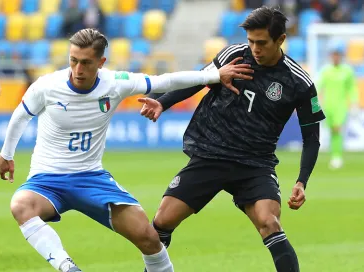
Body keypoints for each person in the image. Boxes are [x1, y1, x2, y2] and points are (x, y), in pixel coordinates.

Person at [0, 28, 243, 272]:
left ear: (101, 62)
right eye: (73, 61)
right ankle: (67, 267)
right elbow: (21, 115)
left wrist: (212, 76)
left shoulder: (115, 83)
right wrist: (7, 154)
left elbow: (164, 80)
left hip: (91, 178)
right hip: (47, 180)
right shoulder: (47, 86)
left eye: (85, 62)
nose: (78, 69)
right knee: (20, 205)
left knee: (150, 239)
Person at [139, 6, 325, 272]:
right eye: (251, 41)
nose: (254, 49)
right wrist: (162, 103)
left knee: (270, 223)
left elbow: (312, 137)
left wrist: (302, 180)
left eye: (262, 43)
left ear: (280, 39)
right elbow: (199, 80)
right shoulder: (235, 55)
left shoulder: (299, 82)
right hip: (211, 153)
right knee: (161, 222)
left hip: (255, 164)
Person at [316, 44, 358, 169]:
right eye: (333, 55)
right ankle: (334, 155)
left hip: (341, 106)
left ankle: (337, 157)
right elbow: (318, 87)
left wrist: (354, 103)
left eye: (337, 55)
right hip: (327, 106)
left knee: (337, 129)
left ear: (341, 56)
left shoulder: (347, 71)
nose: (335, 57)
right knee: (331, 131)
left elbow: (352, 88)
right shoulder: (325, 70)